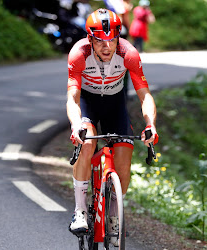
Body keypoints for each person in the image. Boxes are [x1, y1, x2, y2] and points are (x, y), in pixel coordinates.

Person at [66, 8, 159, 246]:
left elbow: (144, 95)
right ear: (90, 39)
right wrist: (76, 125)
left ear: (118, 37)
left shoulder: (129, 54)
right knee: (88, 142)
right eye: (100, 41)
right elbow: (73, 97)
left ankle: (114, 216)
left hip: (115, 104)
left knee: (125, 156)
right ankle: (80, 211)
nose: (106, 47)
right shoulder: (79, 54)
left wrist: (150, 124)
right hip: (88, 103)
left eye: (112, 40)